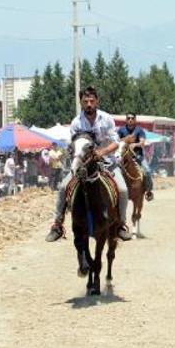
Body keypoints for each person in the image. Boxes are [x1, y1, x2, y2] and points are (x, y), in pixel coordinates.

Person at [45, 86, 131, 242]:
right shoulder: (76, 123)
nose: (89, 104)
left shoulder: (106, 119)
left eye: (92, 101)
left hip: (107, 163)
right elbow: (73, 145)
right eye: (86, 101)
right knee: (63, 187)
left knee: (123, 190)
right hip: (83, 165)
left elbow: (116, 143)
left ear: (97, 101)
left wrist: (101, 152)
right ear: (81, 103)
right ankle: (57, 225)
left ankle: (121, 225)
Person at [117, 113, 154, 201]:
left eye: (132, 118)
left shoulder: (139, 130)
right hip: (123, 158)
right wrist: (126, 140)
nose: (130, 120)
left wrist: (135, 144)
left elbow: (142, 142)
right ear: (126, 120)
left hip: (138, 157)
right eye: (128, 118)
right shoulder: (121, 130)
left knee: (148, 171)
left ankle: (148, 191)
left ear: (135, 120)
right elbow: (116, 141)